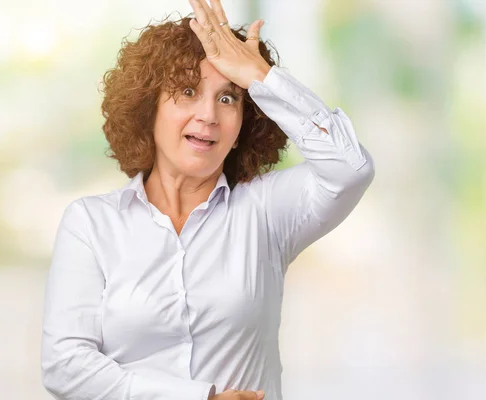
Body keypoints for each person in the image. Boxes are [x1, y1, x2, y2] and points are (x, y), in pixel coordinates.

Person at [40, 0, 374, 399]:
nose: (208, 115)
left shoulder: (265, 212)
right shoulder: (91, 224)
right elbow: (65, 365)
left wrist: (260, 77)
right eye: (187, 91)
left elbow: (351, 168)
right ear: (150, 108)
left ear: (244, 123)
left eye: (229, 98)